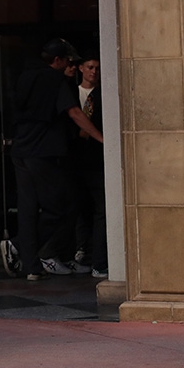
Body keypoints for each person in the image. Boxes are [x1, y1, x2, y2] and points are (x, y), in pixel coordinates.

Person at [2, 39, 103, 281]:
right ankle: (20, 247)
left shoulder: (24, 76)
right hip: (43, 152)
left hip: (21, 148)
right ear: (57, 60)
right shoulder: (54, 79)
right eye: (67, 60)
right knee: (62, 206)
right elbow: (74, 112)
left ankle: (30, 264)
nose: (70, 65)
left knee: (28, 209)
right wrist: (101, 138)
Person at [73, 55, 108, 278]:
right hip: (74, 159)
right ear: (81, 68)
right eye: (90, 67)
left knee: (99, 209)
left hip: (96, 160)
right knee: (79, 209)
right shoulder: (71, 93)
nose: (94, 72)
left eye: (97, 68)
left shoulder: (102, 95)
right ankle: (80, 251)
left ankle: (98, 260)